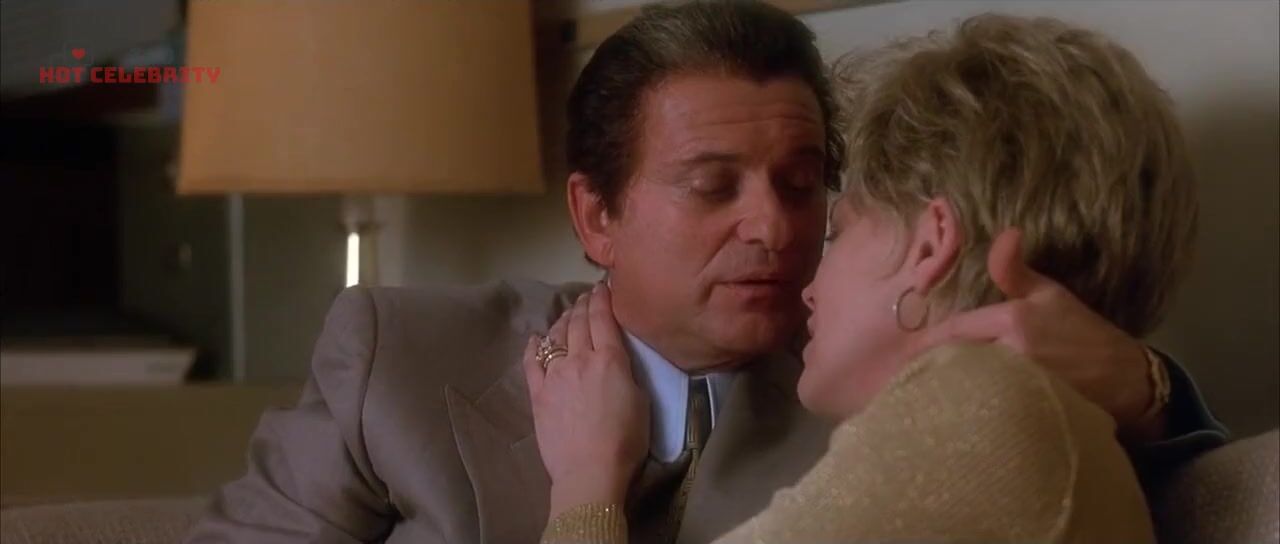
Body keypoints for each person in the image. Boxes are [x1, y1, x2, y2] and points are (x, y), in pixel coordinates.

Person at [185, 2, 1225, 543]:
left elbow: (1127, 491)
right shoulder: (404, 354)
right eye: (712, 185)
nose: (774, 227)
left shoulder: (880, 388)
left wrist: (1146, 385)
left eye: (805, 184)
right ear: (596, 215)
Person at [533, 10, 1211, 543]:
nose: (791, 250)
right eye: (712, 186)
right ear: (595, 216)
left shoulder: (976, 413)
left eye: (837, 224)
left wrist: (586, 489)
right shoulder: (1039, 415)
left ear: (931, 243)